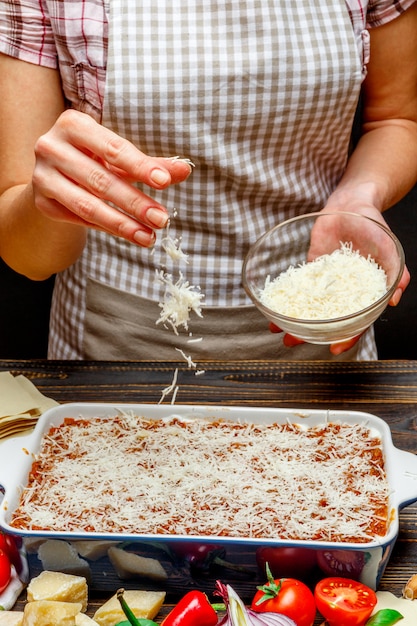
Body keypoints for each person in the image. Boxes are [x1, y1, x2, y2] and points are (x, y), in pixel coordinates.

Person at [0, 0, 416, 363]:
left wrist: (360, 194)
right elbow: (26, 254)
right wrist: (55, 197)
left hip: (323, 320)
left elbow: (398, 118)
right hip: (116, 348)